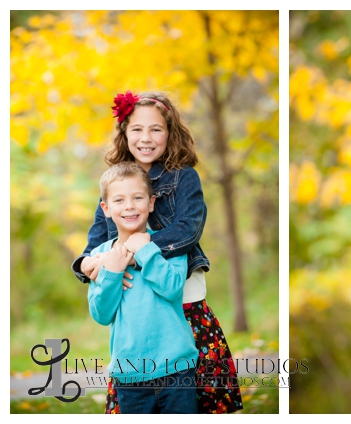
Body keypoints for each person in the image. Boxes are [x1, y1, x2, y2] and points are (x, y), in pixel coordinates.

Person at [72, 90, 243, 414]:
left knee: (194, 398)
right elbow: (96, 237)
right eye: (137, 129)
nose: (146, 138)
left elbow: (187, 230)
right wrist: (90, 262)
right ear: (124, 133)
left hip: (182, 301)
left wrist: (135, 252)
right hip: (135, 317)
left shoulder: (182, 177)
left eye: (156, 129)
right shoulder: (115, 184)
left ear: (170, 133)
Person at [87, 162, 198, 414]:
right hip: (130, 375)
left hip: (176, 369)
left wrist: (147, 250)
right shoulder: (99, 255)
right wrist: (113, 273)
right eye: (119, 200)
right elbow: (101, 315)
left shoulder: (169, 246)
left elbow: (171, 288)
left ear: (150, 203)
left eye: (138, 198)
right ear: (105, 208)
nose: (129, 206)